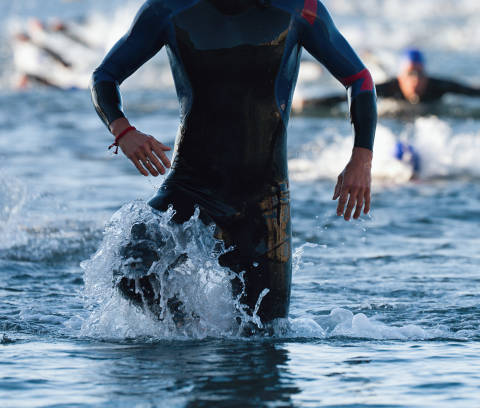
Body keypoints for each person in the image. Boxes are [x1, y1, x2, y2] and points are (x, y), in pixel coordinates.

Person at [90, 0, 377, 328]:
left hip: (264, 203)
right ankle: (189, 336)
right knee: (131, 271)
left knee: (265, 334)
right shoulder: (167, 9)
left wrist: (362, 158)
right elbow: (104, 77)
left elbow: (360, 80)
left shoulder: (301, 9)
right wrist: (122, 130)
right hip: (190, 187)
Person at [302, 48, 480, 110]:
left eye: (420, 74)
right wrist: (307, 104)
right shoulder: (390, 87)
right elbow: (345, 96)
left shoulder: (438, 86)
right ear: (401, 76)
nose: (416, 80)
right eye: (410, 74)